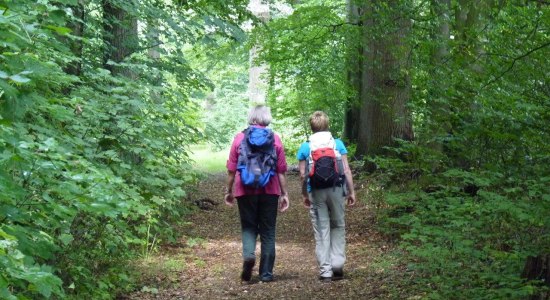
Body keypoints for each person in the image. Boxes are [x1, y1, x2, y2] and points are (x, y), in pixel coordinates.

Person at [224, 105, 290, 283]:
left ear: (251, 117)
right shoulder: (275, 139)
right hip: (270, 189)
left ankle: (248, 256)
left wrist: (229, 191)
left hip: (245, 190)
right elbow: (281, 171)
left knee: (248, 227)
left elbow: (231, 170)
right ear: (266, 118)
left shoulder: (239, 138)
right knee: (268, 231)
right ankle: (266, 274)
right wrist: (284, 194)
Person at [297, 111, 356, 282]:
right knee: (338, 225)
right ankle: (337, 265)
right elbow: (346, 170)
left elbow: (302, 175)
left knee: (322, 230)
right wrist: (351, 191)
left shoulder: (305, 147)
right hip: (337, 189)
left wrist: (304, 194)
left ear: (312, 126)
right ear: (327, 125)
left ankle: (325, 271)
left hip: (316, 191)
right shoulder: (337, 143)